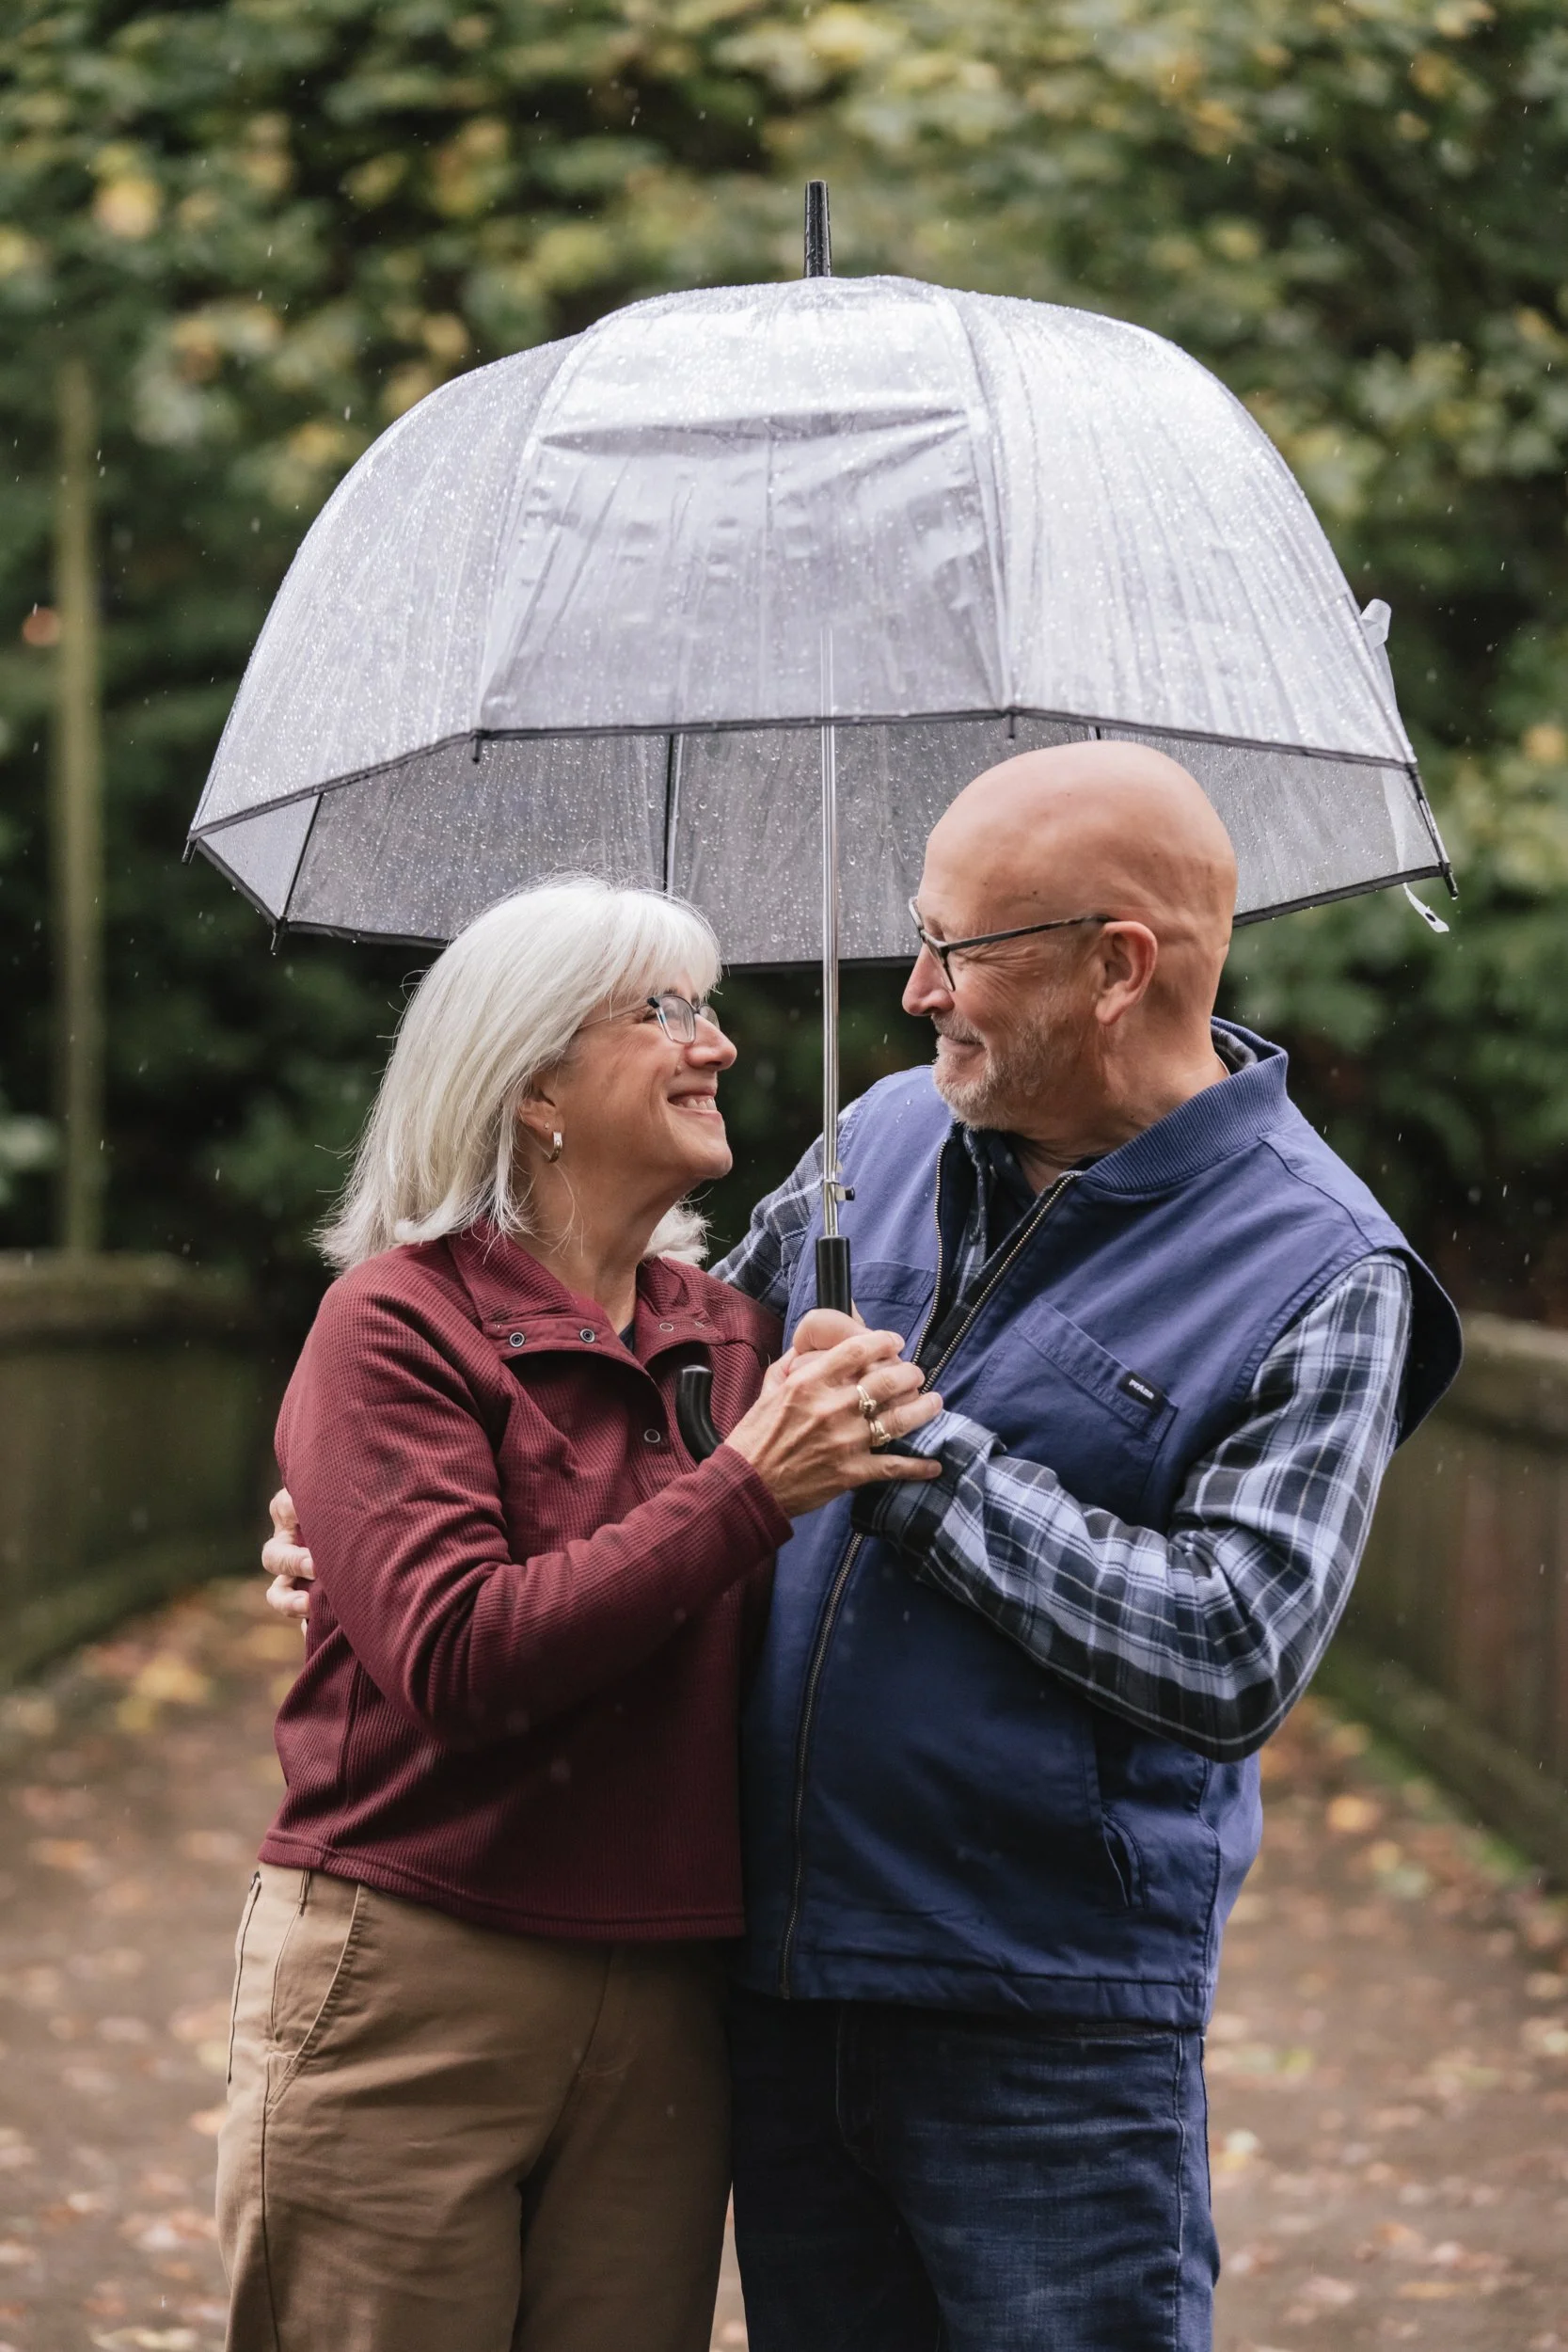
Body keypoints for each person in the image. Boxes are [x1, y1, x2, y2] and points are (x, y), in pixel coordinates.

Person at [265, 743, 1462, 2352]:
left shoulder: (1322, 1268)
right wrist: (364, 1526)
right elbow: (666, 1428)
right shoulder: (882, 1134)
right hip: (757, 1975)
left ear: (1116, 968)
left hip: (1037, 2019)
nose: (912, 992)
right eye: (919, 936)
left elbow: (1228, 1648)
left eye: (959, 951)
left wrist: (914, 1455)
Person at [221, 876, 942, 2352]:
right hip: (413, 1968)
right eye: (665, 1012)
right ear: (535, 1081)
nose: (719, 1045)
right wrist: (745, 1488)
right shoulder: (396, 1321)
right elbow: (462, 1661)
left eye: (716, 1008)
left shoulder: (742, 1343)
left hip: (674, 1994)